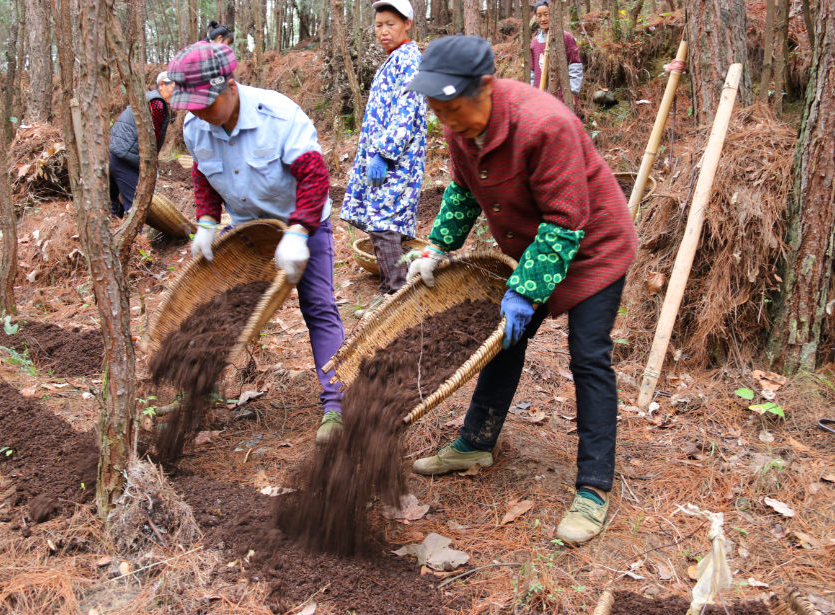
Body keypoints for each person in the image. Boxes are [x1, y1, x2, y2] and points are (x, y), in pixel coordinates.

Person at [404, 36, 637, 545]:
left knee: (588, 357)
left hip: (592, 246)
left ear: (485, 86)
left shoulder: (543, 124)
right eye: (437, 111)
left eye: (453, 107)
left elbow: (566, 221)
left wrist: (526, 291)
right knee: (503, 339)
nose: (447, 121)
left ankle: (593, 488)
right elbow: (464, 190)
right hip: (535, 247)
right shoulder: (459, 126)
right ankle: (475, 442)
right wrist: (436, 249)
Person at [166, 42, 347, 444]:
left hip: (304, 222)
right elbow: (202, 176)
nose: (197, 112)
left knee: (318, 307)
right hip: (249, 232)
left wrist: (299, 233)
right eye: (190, 105)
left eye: (204, 103)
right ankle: (200, 389)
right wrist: (208, 222)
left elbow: (314, 179)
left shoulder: (279, 116)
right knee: (217, 307)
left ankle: (336, 404)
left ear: (229, 86)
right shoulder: (196, 127)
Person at [339, 0, 427, 318]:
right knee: (383, 224)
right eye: (378, 25)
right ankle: (392, 293)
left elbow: (406, 112)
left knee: (385, 223)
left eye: (390, 23)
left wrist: (385, 154)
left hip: (396, 160)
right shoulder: (394, 59)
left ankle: (396, 297)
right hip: (383, 157)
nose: (383, 31)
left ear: (407, 24)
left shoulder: (410, 60)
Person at [109, 72, 175, 218]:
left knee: (114, 208)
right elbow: (152, 139)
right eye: (174, 88)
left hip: (113, 154)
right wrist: (152, 165)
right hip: (126, 159)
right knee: (135, 212)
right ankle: (136, 240)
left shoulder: (145, 98)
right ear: (162, 84)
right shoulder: (157, 104)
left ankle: (112, 238)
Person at [530, 0, 583, 99]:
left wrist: (572, 90)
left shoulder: (565, 37)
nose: (543, 19)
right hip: (540, 95)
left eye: (546, 14)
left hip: (562, 95)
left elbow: (574, 65)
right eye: (539, 15)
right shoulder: (534, 42)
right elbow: (532, 71)